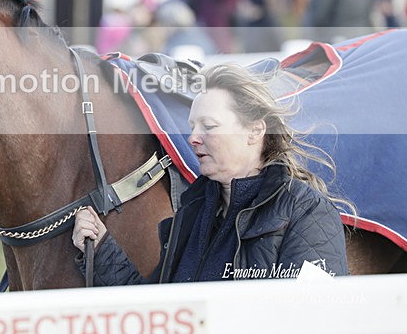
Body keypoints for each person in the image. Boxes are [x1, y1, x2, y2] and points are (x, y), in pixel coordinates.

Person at [72, 63, 350, 284]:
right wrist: (100, 247)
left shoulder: (307, 211)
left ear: (255, 131)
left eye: (209, 125)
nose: (193, 137)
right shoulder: (192, 212)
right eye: (193, 125)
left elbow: (318, 322)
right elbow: (156, 309)